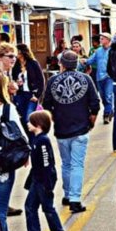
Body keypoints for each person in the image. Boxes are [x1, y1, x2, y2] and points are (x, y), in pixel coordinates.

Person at [43, 50, 100, 213]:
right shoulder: (86, 79)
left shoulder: (52, 81)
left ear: (61, 64)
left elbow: (46, 105)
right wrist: (92, 120)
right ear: (76, 64)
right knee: (77, 165)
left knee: (66, 164)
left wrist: (55, 118)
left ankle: (68, 195)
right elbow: (95, 104)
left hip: (61, 130)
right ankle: (75, 199)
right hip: (81, 128)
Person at [24, 110, 65, 231]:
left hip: (43, 181)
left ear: (39, 125)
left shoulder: (42, 141)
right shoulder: (36, 139)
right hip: (36, 180)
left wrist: (47, 185)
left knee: (47, 208)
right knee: (30, 207)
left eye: (30, 122)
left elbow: (46, 163)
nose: (27, 124)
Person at [0, 75, 28, 231]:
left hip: (2, 166)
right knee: (0, 212)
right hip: (3, 165)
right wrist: (26, 154)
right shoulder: (8, 109)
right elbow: (20, 135)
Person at [80, 33, 114, 125]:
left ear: (108, 39)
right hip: (99, 77)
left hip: (109, 77)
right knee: (103, 98)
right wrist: (84, 61)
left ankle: (106, 114)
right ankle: (110, 109)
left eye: (102, 38)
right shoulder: (98, 51)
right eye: (100, 38)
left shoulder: (113, 50)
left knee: (108, 96)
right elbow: (91, 60)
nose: (100, 40)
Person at [11, 44, 45, 134]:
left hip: (31, 95)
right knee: (21, 118)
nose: (14, 54)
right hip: (20, 95)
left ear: (22, 52)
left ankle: (34, 139)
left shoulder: (33, 63)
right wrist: (16, 82)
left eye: (16, 51)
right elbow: (13, 79)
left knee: (28, 119)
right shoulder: (15, 65)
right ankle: (27, 142)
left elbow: (41, 80)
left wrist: (38, 96)